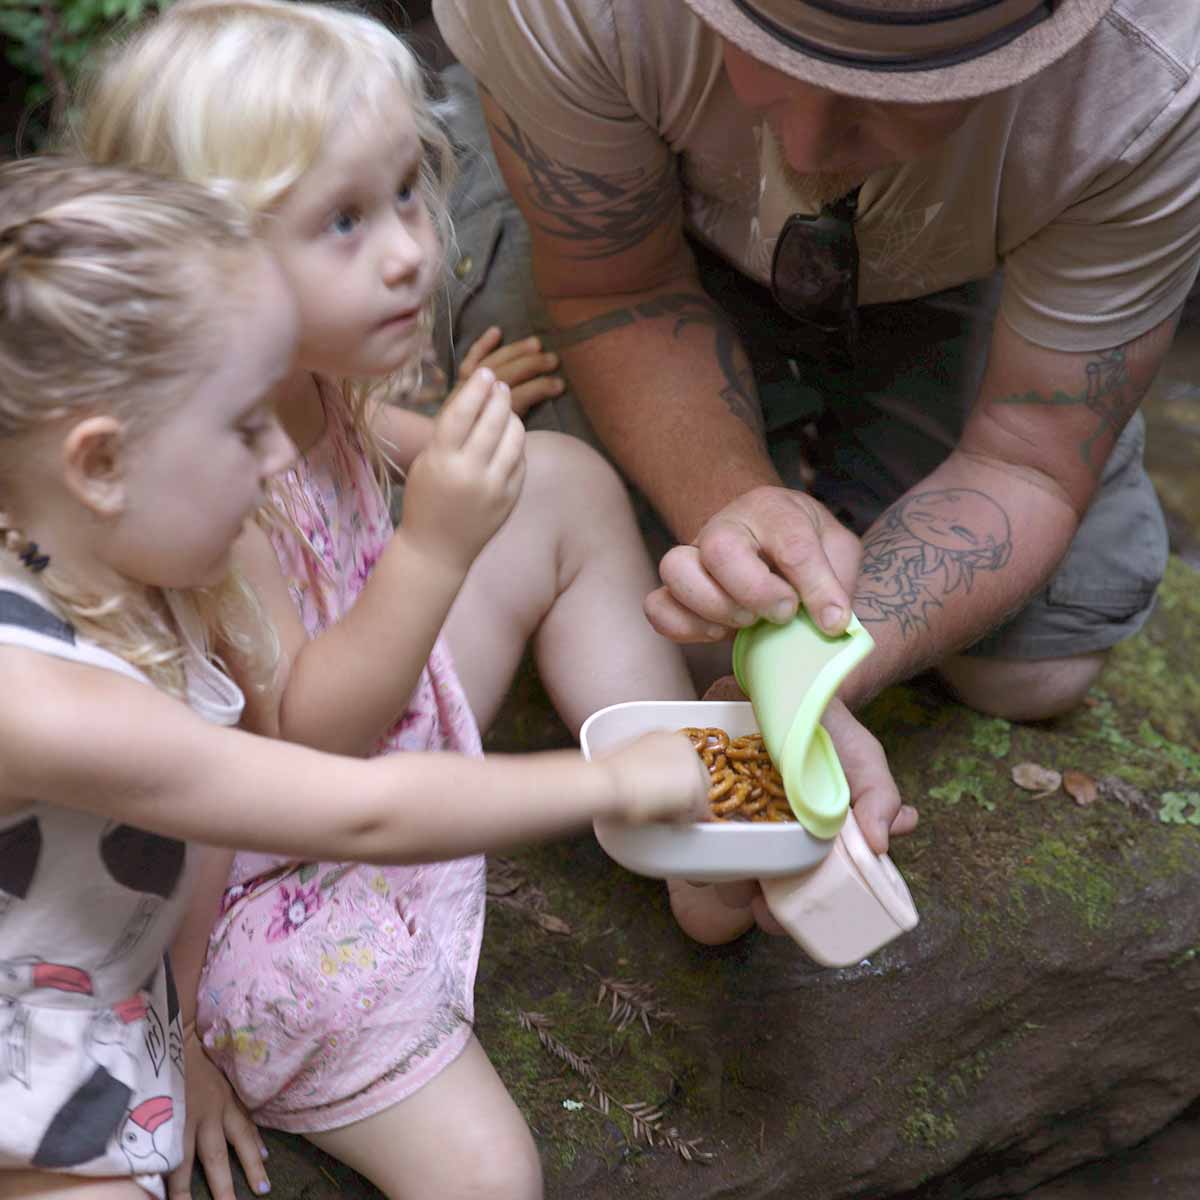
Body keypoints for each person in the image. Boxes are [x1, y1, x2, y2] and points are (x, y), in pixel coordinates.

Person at [73, 1, 731, 1196]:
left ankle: (688, 816)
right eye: (343, 221)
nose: (410, 250)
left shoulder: (299, 375)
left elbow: (359, 430)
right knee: (492, 1178)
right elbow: (308, 741)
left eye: (406, 196)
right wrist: (433, 547)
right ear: (208, 261)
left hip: (391, 707)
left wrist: (447, 442)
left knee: (563, 480)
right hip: (273, 869)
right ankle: (248, 1042)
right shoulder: (204, 486)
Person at [432, 0, 1198, 849]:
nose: (801, 150)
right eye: (770, 56)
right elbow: (617, 286)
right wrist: (736, 504)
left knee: (1035, 668)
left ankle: (989, 336)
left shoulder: (1155, 80)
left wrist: (818, 668)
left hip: (957, 255)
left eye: (888, 95)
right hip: (649, 207)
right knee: (677, 634)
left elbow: (1030, 457)